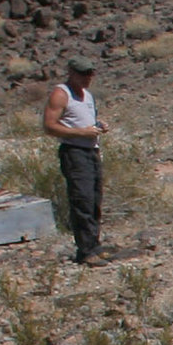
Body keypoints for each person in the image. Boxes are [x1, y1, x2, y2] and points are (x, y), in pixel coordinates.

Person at [43, 58, 109, 266]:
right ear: (71, 72)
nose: (87, 78)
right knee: (82, 200)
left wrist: (98, 126)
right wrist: (81, 132)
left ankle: (94, 246)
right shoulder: (61, 94)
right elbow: (49, 126)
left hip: (91, 150)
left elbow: (85, 121)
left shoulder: (87, 96)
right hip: (74, 152)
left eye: (90, 74)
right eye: (82, 74)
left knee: (94, 200)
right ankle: (86, 250)